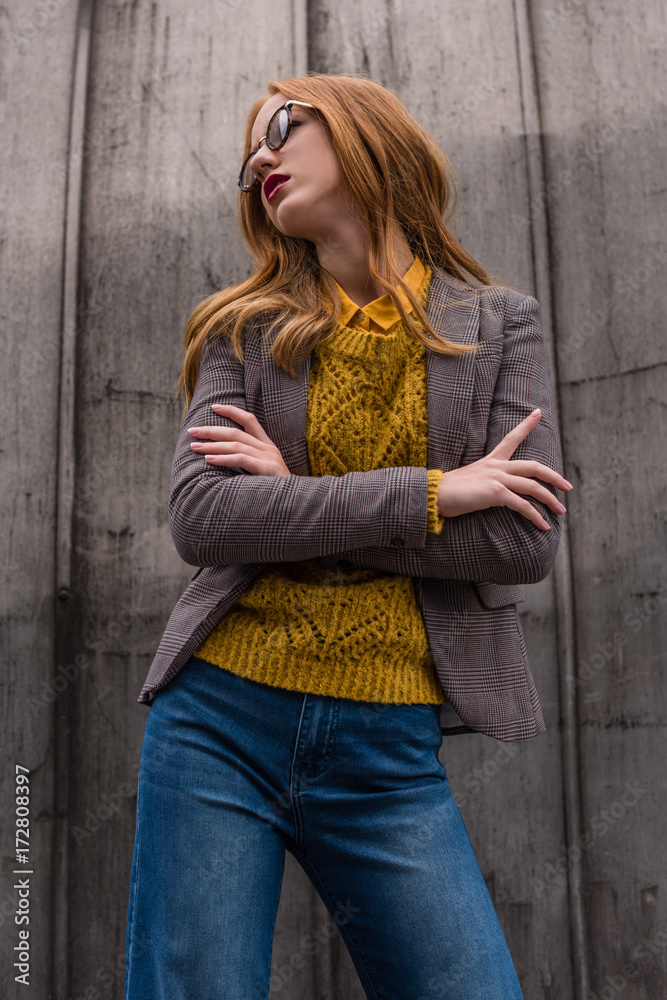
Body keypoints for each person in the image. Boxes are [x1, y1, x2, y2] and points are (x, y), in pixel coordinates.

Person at [124, 73, 571, 1000]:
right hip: (218, 720)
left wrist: (299, 503)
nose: (261, 159)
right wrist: (435, 494)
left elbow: (520, 544)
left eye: (281, 127)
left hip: (386, 746)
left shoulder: (496, 327)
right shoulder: (242, 331)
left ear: (365, 132)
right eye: (251, 156)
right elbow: (205, 518)